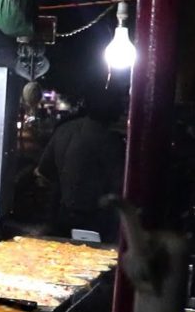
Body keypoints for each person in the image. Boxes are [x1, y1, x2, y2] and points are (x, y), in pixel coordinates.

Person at [34, 85, 127, 242]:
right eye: (119, 104)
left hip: (62, 216)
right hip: (95, 221)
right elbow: (119, 186)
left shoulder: (64, 129)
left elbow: (44, 172)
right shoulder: (111, 141)